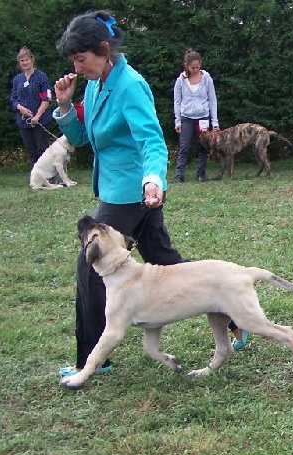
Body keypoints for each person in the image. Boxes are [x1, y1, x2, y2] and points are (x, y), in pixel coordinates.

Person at [52, 10, 247, 378]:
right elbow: (83, 140)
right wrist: (64, 106)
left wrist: (153, 179)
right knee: (166, 260)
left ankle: (93, 362)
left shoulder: (130, 84)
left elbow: (151, 140)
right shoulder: (94, 84)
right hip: (122, 188)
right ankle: (235, 313)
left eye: (82, 59)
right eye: (74, 62)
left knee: (90, 265)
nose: (78, 68)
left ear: (103, 49)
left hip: (133, 191)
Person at [173, 49, 219, 182]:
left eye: (197, 67)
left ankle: (201, 174)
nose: (195, 70)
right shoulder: (180, 81)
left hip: (203, 117)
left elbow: (212, 100)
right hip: (186, 117)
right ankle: (179, 175)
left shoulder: (207, 79)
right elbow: (177, 101)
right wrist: (178, 121)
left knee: (203, 146)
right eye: (192, 67)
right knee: (184, 146)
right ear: (186, 65)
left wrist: (215, 122)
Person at [10, 47, 53, 170]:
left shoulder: (41, 76)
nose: (25, 63)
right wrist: (20, 108)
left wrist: (37, 116)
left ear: (32, 60)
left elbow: (47, 98)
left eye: (27, 60)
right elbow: (13, 98)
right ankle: (35, 177)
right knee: (31, 150)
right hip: (24, 121)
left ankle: (48, 176)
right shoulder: (18, 79)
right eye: (22, 61)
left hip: (40, 120)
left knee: (42, 150)